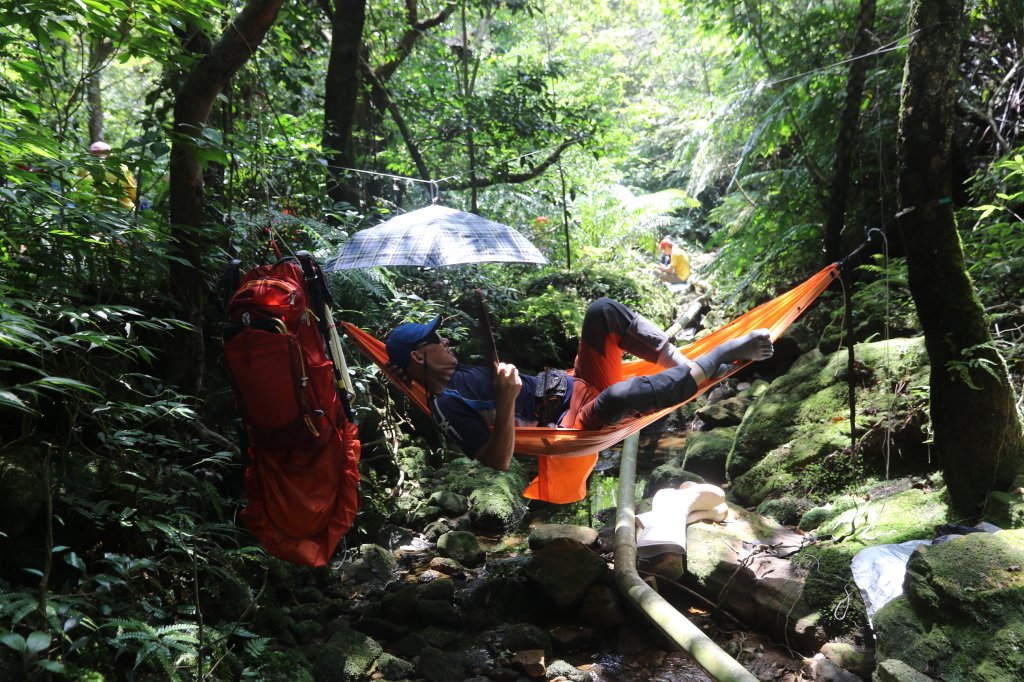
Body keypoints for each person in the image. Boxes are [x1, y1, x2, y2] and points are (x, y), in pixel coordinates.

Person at [385, 298, 773, 472]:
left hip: (577, 383)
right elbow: (496, 461)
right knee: (623, 394)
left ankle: (685, 368)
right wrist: (506, 399)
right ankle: (719, 355)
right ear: (419, 357)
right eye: (436, 340)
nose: (446, 341)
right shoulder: (445, 404)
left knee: (601, 311)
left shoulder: (456, 371)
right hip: (572, 426)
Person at [79, 140, 138, 210]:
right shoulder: (122, 168)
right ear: (109, 154)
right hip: (123, 209)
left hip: (93, 210)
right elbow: (132, 191)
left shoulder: (84, 168)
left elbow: (79, 189)